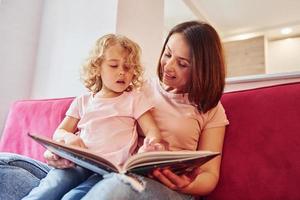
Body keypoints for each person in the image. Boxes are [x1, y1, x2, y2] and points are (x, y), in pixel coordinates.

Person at [0, 20, 229, 200]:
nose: (168, 66)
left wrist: (188, 184)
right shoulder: (134, 88)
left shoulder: (211, 108)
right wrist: (58, 152)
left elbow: (210, 175)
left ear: (202, 69)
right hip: (100, 168)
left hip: (163, 188)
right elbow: (87, 122)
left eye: (182, 63)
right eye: (168, 54)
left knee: (114, 185)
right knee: (5, 163)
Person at [22, 34, 165, 200]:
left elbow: (152, 131)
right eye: (113, 65)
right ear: (97, 67)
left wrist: (151, 144)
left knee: (74, 196)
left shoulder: (134, 99)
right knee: (50, 188)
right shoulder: (83, 101)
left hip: (108, 171)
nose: (122, 72)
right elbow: (59, 132)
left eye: (128, 67)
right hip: (76, 163)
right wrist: (69, 138)